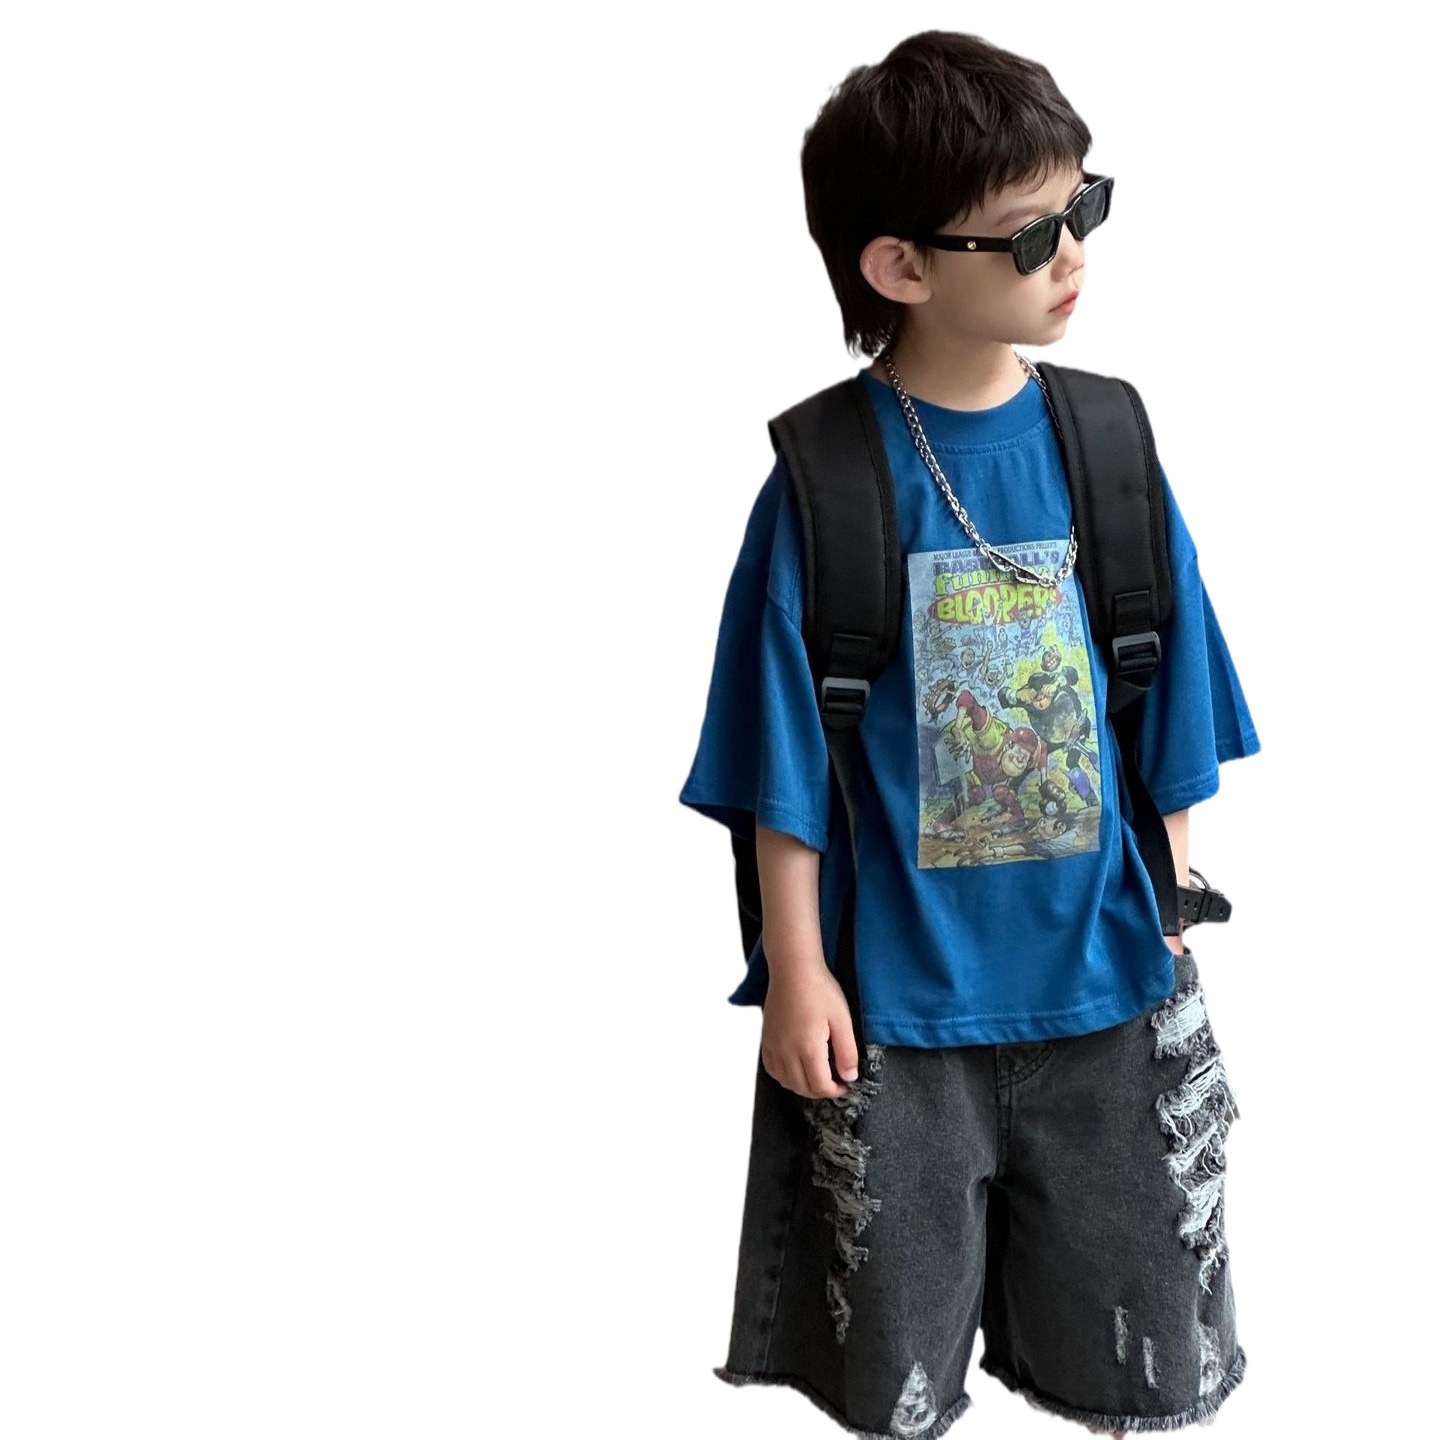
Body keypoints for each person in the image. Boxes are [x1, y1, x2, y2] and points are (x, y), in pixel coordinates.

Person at [678, 29, 1261, 1440]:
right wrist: (799, 973)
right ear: (899, 265)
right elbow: (781, 765)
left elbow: (1168, 685)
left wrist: (1173, 896)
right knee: (896, 1379)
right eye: (1031, 231)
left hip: (1111, 990)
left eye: (1084, 207)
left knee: (1144, 1357)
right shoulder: (827, 482)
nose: (1074, 253)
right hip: (894, 1019)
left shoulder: (1108, 447)